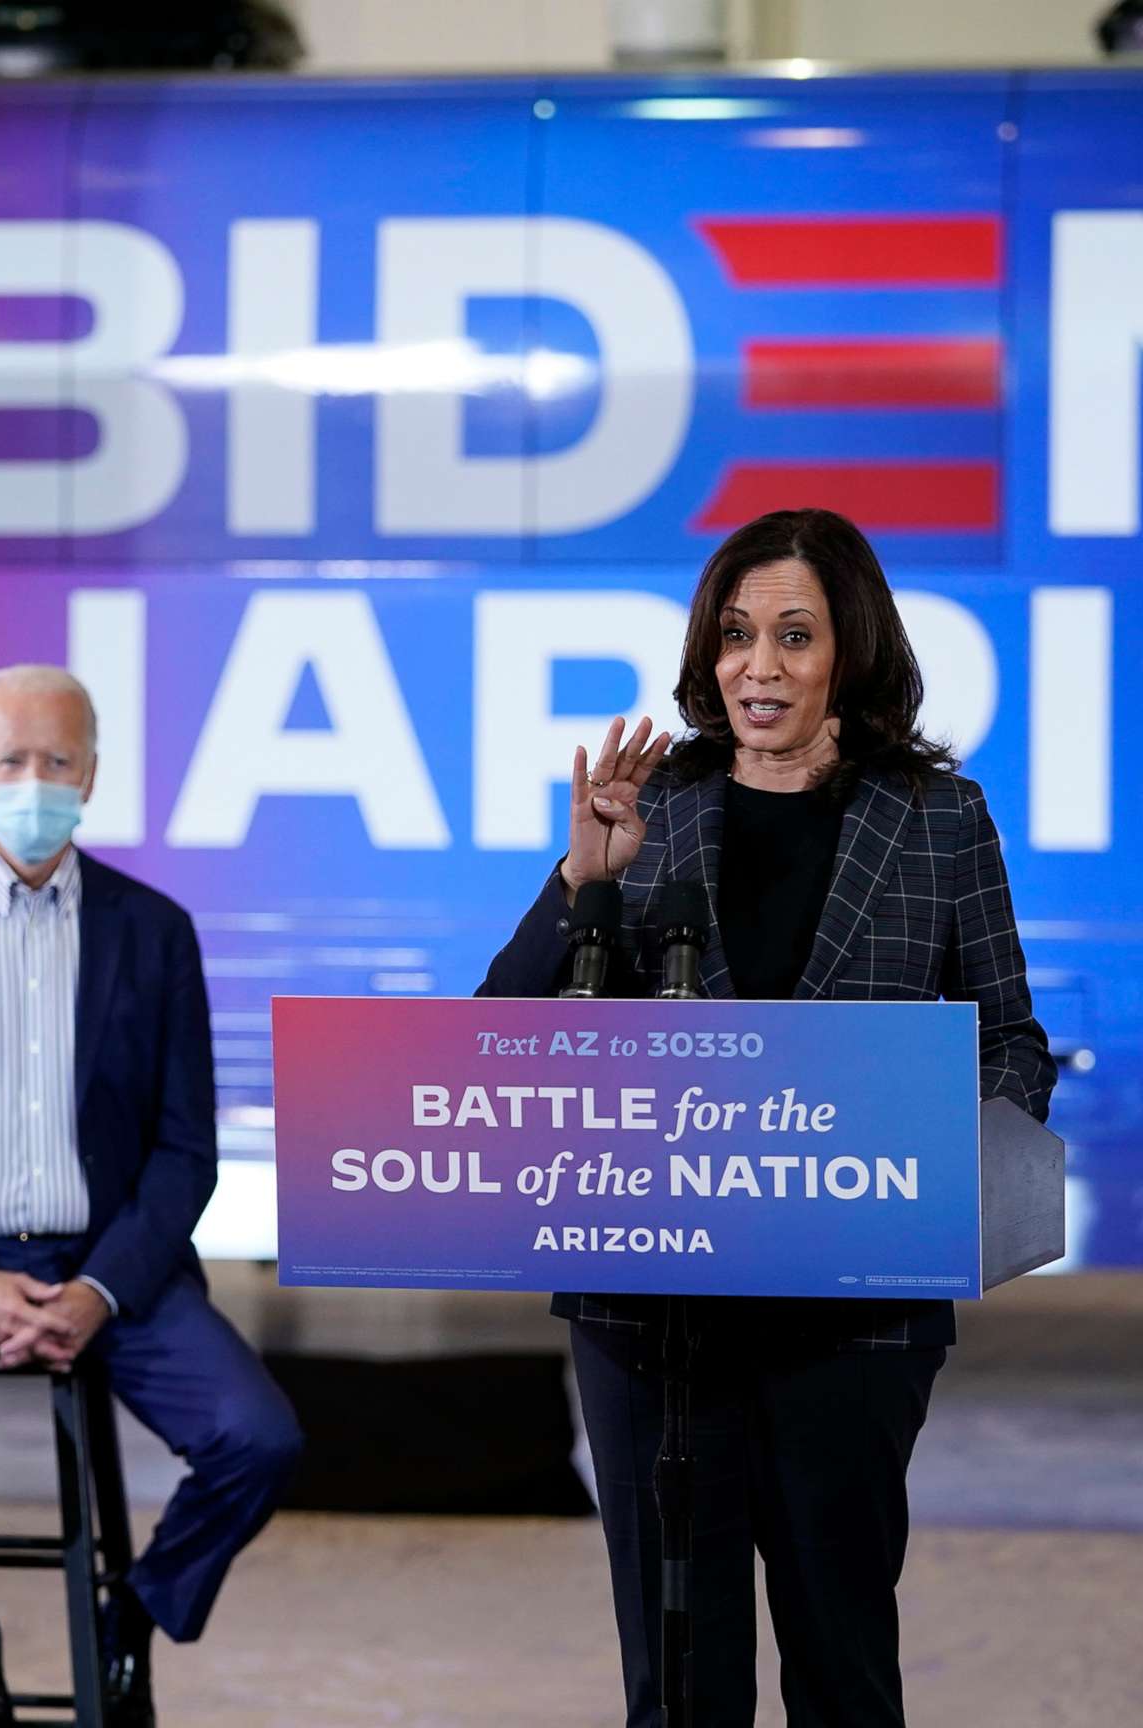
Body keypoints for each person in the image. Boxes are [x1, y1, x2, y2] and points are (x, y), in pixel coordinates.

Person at [478, 508, 1055, 1728]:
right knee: (681, 1692)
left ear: (851, 648)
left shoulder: (938, 816)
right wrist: (583, 875)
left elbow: (1010, 1040)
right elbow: (506, 1034)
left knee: (844, 1675)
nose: (761, 665)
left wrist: (940, 1177)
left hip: (852, 1321)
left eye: (796, 634)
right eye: (738, 635)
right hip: (653, 1320)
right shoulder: (651, 807)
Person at [0, 664, 302, 1728]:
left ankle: (133, 1617)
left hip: (112, 1265)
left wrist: (99, 1291)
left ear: (94, 774)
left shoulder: (154, 932)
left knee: (259, 1438)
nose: (36, 781)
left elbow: (184, 1154)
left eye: (59, 761)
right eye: (12, 760)